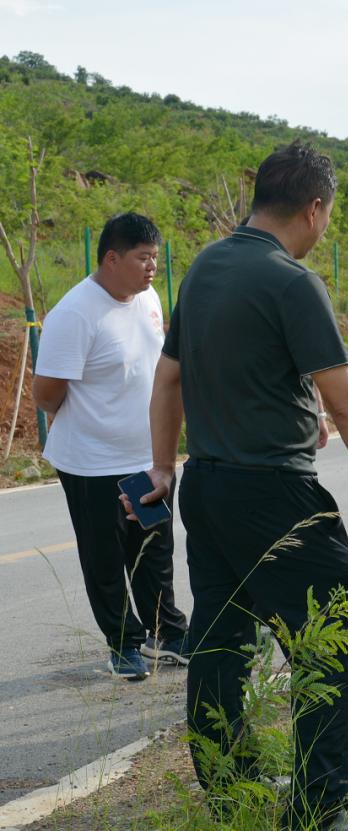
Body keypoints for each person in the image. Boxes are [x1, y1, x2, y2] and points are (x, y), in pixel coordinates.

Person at [133, 142, 348, 831]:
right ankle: (320, 813)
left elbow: (171, 378)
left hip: (206, 486)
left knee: (219, 640)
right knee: (332, 643)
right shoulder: (293, 282)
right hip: (275, 495)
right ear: (315, 207)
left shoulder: (205, 265)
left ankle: (230, 786)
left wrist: (163, 465)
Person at [33, 212, 190, 681]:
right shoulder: (75, 313)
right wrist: (85, 424)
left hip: (148, 458)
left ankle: (167, 633)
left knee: (154, 549)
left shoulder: (148, 301)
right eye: (143, 259)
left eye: (155, 259)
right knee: (105, 556)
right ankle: (123, 643)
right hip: (91, 463)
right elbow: (45, 394)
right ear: (111, 258)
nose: (152, 268)